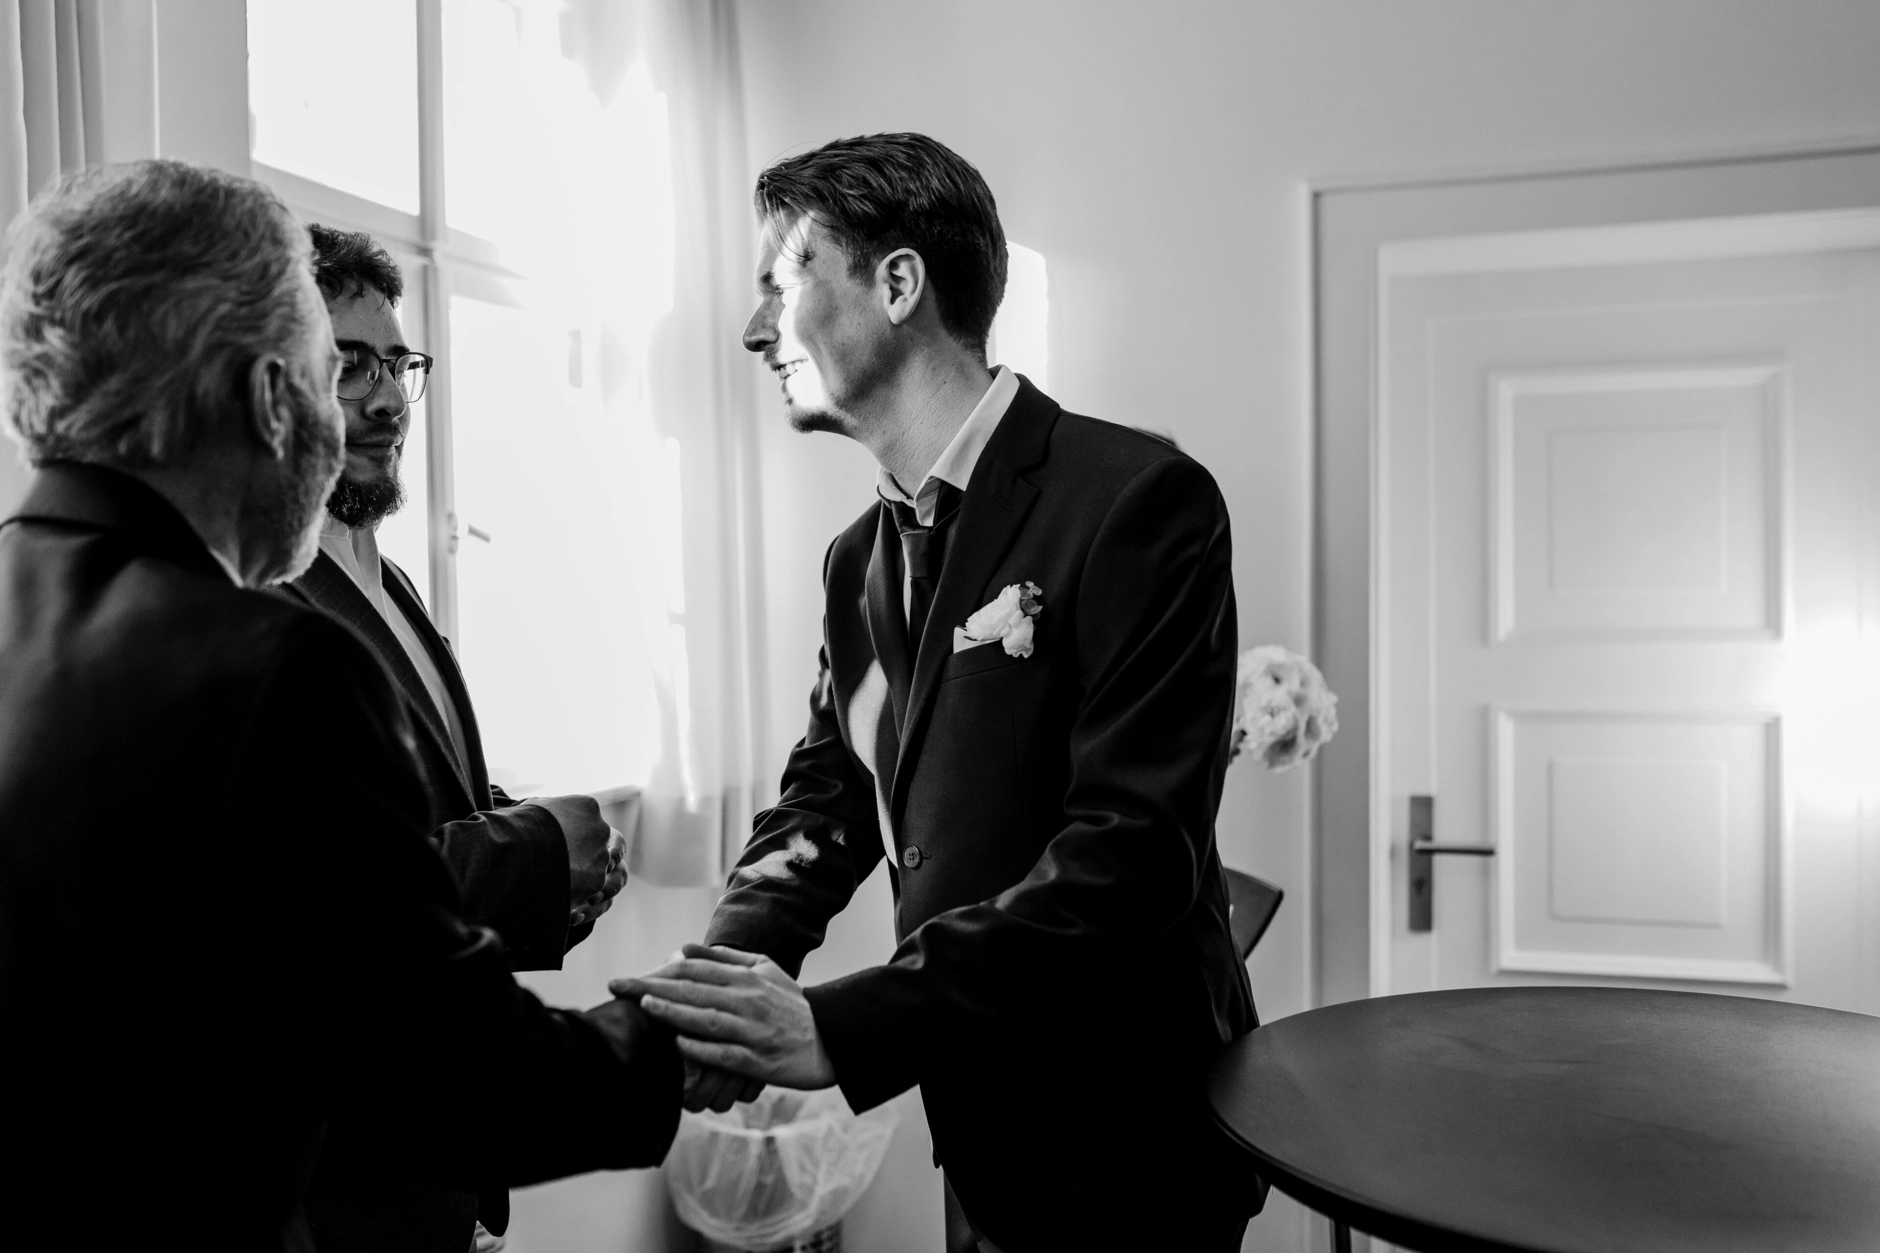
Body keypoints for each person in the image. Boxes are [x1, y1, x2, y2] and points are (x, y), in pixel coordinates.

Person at [0, 159, 679, 1253]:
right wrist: (674, 1040)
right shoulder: (266, 664)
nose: (353, 407)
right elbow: (454, 1072)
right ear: (274, 397)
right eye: (327, 372)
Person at [615, 133, 1263, 1252]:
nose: (755, 326)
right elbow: (822, 804)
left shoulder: (1137, 499)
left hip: (1126, 1129)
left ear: (899, 282)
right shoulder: (852, 558)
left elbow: (1129, 856)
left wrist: (838, 1025)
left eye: (782, 281)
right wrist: (726, 985)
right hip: (975, 1114)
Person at [278, 225, 624, 1251]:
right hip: (344, 1185)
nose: (386, 397)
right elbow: (329, 890)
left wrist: (546, 865)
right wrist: (540, 855)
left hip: (441, 1152)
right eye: (348, 364)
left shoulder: (394, 586)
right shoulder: (264, 606)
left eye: (398, 363)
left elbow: (417, 809)